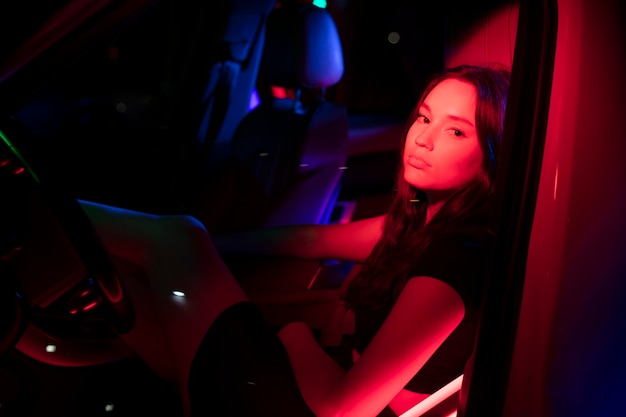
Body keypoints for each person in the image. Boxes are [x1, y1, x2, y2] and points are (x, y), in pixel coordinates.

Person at [80, 64, 510, 417]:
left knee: (178, 235)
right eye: (424, 117)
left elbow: (347, 411)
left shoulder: (456, 258)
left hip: (317, 404)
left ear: (491, 156)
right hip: (318, 381)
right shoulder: (419, 222)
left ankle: (32, 207)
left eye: (455, 132)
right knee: (137, 272)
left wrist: (295, 337)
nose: (422, 139)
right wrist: (213, 249)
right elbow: (309, 241)